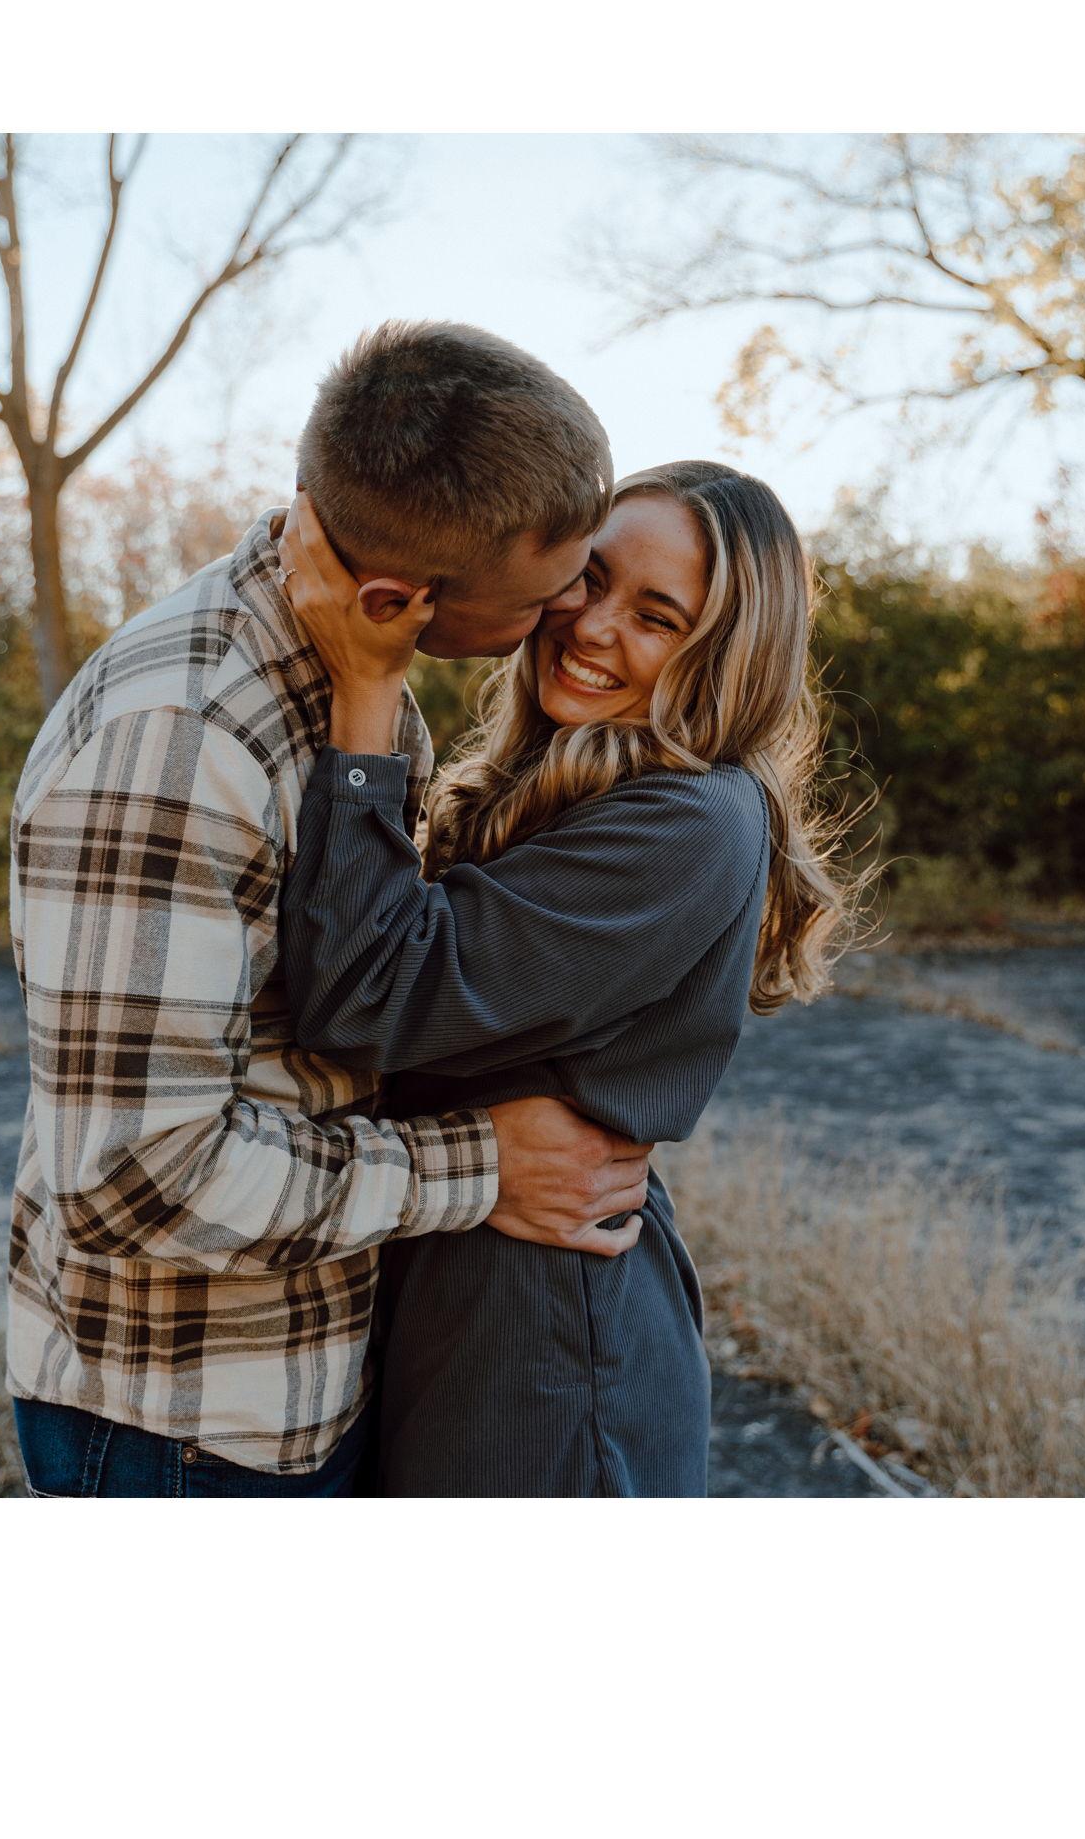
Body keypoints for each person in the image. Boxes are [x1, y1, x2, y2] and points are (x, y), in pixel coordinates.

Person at [6, 321, 652, 1498]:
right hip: (189, 1425)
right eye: (545, 592)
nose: (572, 608)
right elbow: (132, 1177)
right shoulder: (181, 744)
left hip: (301, 1375)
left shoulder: (356, 669)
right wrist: (483, 1166)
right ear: (398, 592)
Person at [276, 459, 851, 1495]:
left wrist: (367, 688)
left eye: (657, 616)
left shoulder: (689, 822)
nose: (591, 624)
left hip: (544, 1337)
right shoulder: (561, 786)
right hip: (464, 1292)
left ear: (724, 657)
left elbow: (368, 993)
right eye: (590, 577)